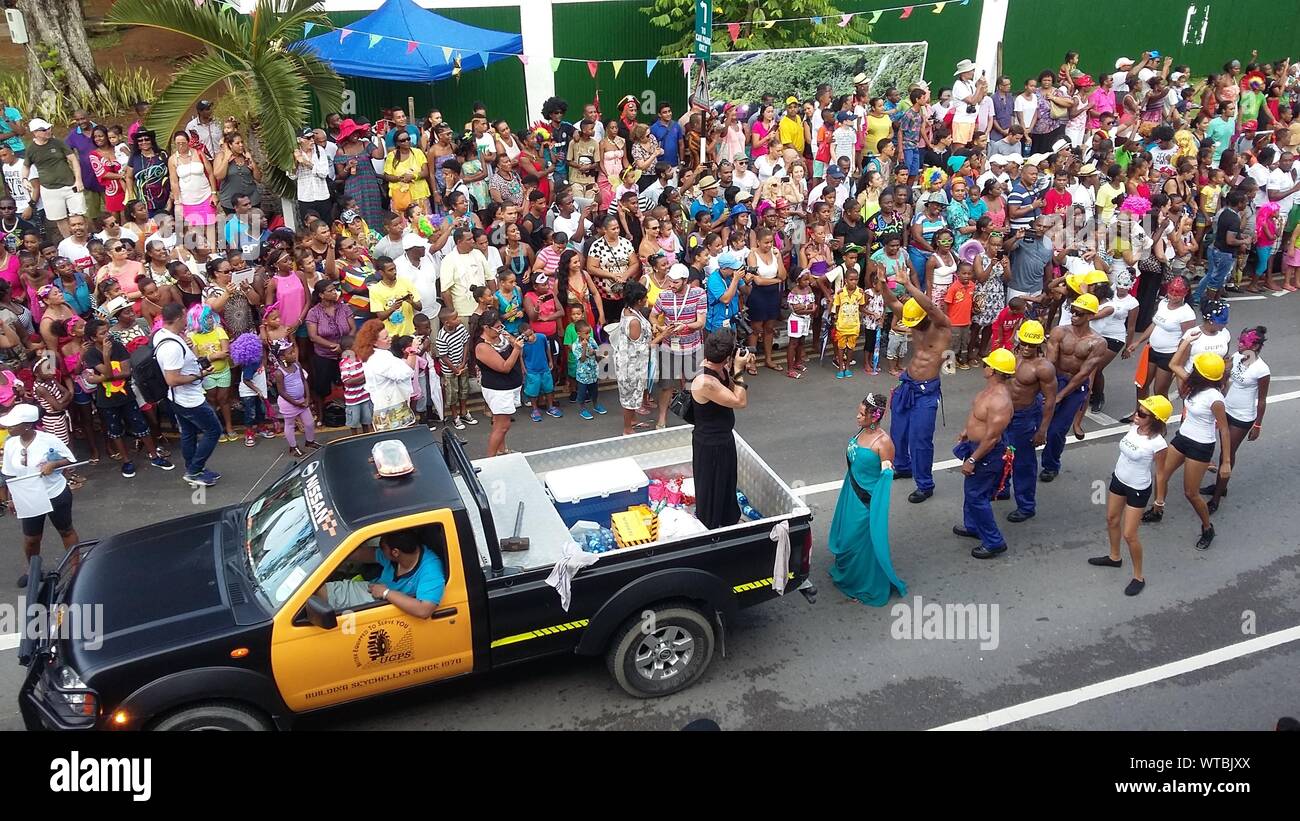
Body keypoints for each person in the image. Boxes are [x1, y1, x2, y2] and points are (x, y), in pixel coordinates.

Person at [874, 260, 951, 503]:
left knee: (921, 439)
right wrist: (883, 284)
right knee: (899, 431)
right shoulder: (913, 319)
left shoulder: (941, 327)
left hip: (927, 392)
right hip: (907, 384)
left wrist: (908, 284)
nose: (912, 327)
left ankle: (925, 484)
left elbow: (930, 306)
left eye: (914, 322)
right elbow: (891, 302)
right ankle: (903, 467)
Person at [1145, 353, 1230, 550]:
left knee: (1191, 493)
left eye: (1196, 368)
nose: (1192, 369)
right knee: (1161, 475)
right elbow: (1174, 364)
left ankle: (1208, 528)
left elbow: (1224, 430)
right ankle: (1158, 509)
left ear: (1203, 375)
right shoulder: (1193, 385)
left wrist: (1225, 462)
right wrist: (1186, 341)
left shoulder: (1215, 398)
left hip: (1200, 446)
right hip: (1183, 438)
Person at [827, 393, 906, 606]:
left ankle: (864, 583)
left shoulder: (884, 443)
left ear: (875, 417)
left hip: (866, 501)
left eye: (862, 414)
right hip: (850, 492)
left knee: (860, 541)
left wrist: (876, 508)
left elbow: (885, 480)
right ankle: (848, 574)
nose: (857, 416)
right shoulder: (863, 430)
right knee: (848, 534)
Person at [1090, 395, 1171, 596]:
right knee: (1111, 519)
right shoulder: (1134, 427)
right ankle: (1114, 557)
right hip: (1119, 479)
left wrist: (1159, 500)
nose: (1136, 415)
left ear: (1154, 419)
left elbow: (1160, 473)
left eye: (1142, 414)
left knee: (1130, 534)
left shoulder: (1158, 444)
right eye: (1138, 410)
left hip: (1138, 488)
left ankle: (1138, 576)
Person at [1, 403, 79, 588]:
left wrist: (53, 465)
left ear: (27, 425)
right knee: (31, 538)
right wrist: (12, 498)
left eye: (13, 425)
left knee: (66, 530)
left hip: (54, 493)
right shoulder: (11, 443)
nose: (8, 428)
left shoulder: (48, 439)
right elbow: (10, 473)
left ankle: (77, 569)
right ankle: (33, 570)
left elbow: (70, 459)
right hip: (28, 497)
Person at [952, 348, 1017, 558]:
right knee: (971, 492)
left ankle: (994, 541)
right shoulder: (989, 391)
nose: (984, 366)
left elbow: (992, 437)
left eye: (987, 364)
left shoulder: (1000, 401)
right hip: (976, 447)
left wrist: (972, 459)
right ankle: (973, 526)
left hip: (986, 454)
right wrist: (966, 431)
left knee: (976, 496)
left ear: (993, 371)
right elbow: (978, 417)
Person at [1037, 293, 1107, 482]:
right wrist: (1048, 390)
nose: (1074, 315)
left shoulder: (1098, 342)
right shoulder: (1060, 331)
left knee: (1057, 430)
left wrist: (1060, 396)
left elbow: (1084, 374)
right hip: (1055, 379)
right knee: (1034, 422)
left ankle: (1051, 465)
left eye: (1079, 313)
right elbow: (1049, 362)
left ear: (1090, 316)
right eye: (1073, 311)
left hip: (1075, 386)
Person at [690, 329, 752, 529]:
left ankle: (728, 519)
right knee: (712, 487)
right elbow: (739, 401)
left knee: (726, 482)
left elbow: (731, 387)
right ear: (726, 356)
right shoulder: (705, 381)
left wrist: (735, 366)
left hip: (723, 438)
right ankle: (712, 527)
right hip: (710, 443)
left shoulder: (719, 368)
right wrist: (739, 370)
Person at [155, 302, 222, 487]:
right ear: (177, 318)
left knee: (189, 433)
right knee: (214, 430)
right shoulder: (172, 347)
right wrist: (200, 374)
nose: (187, 320)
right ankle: (194, 470)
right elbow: (172, 379)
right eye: (184, 317)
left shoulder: (162, 335)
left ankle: (192, 467)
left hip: (177, 398)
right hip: (190, 400)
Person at [1205, 326, 1269, 513]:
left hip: (1242, 417)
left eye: (1244, 343)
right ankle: (1220, 486)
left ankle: (1217, 496)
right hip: (1226, 409)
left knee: (1227, 453)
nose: (1240, 345)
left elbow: (1262, 400)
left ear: (1256, 346)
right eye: (1240, 341)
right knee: (1222, 450)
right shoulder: (1237, 356)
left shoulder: (1262, 369)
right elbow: (1224, 376)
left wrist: (1257, 424)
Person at [318, 529, 446, 617]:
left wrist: (386, 593)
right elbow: (365, 554)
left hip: (383, 602)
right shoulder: (399, 554)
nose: (379, 549)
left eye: (382, 547)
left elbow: (424, 610)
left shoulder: (431, 569)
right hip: (373, 590)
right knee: (320, 592)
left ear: (395, 552)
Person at [1001, 321, 1057, 523]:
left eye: (1031, 345)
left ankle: (1026, 506)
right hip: (1003, 415)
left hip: (1024, 418)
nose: (1026, 348)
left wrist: (1042, 430)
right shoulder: (1009, 357)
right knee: (1000, 453)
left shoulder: (1043, 368)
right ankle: (1002, 488)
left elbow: (1050, 400)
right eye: (1024, 343)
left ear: (1039, 345)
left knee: (1023, 463)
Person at [473, 309, 524, 456]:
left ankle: (502, 451)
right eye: (497, 327)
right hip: (499, 390)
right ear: (486, 327)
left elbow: (517, 349)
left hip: (511, 386)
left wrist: (513, 342)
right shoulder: (482, 347)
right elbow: (504, 367)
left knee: (500, 423)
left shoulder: (502, 336)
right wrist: (516, 349)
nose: (500, 329)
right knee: (502, 426)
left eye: (501, 326)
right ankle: (491, 459)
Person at [614, 281, 651, 435]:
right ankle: (627, 428)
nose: (646, 299)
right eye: (644, 297)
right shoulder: (634, 321)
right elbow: (640, 346)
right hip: (631, 363)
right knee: (630, 396)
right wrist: (662, 335)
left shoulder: (628, 310)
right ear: (638, 301)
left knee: (634, 393)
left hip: (630, 360)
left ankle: (633, 420)